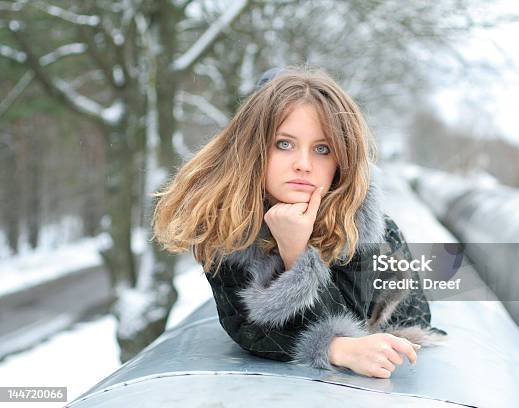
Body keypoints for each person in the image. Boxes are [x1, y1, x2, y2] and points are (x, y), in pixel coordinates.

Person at [151, 65, 446, 379]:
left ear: (341, 160)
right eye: (284, 144)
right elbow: (245, 325)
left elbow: (356, 321)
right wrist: (335, 348)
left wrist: (297, 254)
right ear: (253, 150)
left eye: (322, 149)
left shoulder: (367, 226)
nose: (303, 165)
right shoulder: (227, 222)